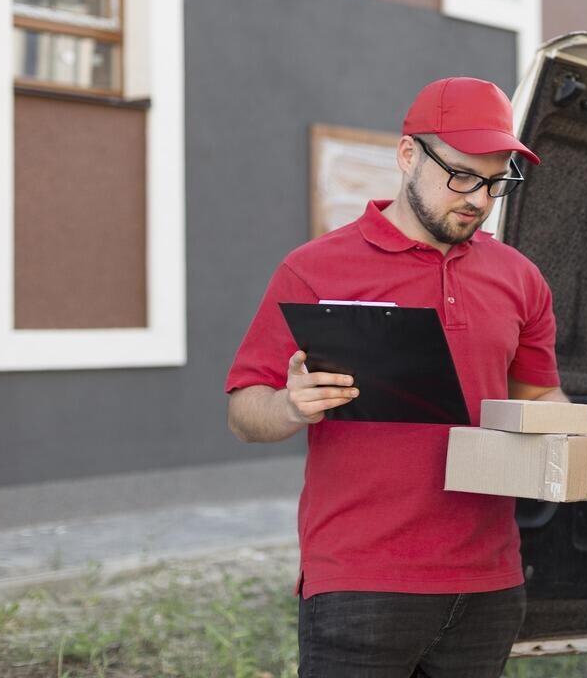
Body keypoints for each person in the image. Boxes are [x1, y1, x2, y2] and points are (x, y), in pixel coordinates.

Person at [226, 76, 568, 678]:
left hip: (489, 583)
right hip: (360, 583)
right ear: (408, 155)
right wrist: (289, 405)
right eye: (462, 175)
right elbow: (243, 412)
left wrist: (568, 437)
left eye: (495, 182)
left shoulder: (521, 279)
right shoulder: (313, 269)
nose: (479, 200)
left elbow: (539, 393)